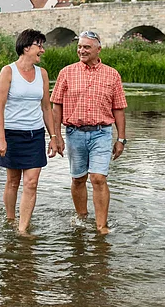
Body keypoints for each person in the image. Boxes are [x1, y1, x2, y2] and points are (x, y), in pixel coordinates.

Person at [50, 31, 127, 235]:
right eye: (80, 47)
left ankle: (101, 226)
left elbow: (118, 108)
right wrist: (55, 136)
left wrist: (121, 139)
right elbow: (56, 106)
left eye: (86, 47)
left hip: (102, 132)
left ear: (98, 50)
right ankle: (82, 217)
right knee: (78, 179)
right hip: (74, 133)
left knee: (98, 178)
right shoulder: (66, 72)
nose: (81, 50)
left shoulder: (112, 74)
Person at [0, 29, 63, 234]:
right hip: (12, 134)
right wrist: (1, 139)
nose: (42, 50)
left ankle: (22, 229)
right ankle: (10, 219)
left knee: (31, 183)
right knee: (13, 181)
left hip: (35, 135)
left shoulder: (42, 74)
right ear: (26, 48)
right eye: (39, 45)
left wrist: (54, 137)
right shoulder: (8, 72)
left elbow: (46, 108)